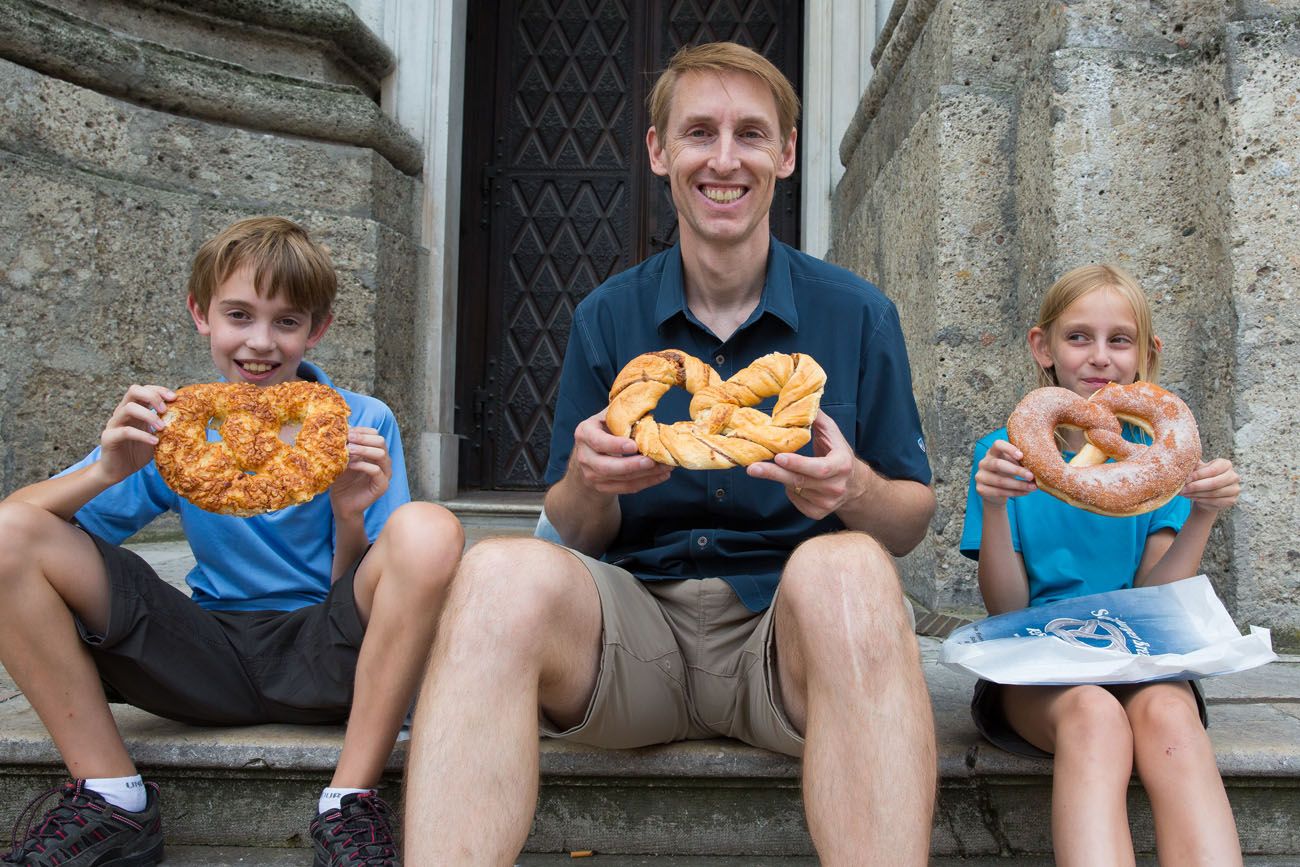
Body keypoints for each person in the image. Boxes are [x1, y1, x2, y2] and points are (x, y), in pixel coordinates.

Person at [405, 42, 937, 865]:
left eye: (752, 134)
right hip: (633, 638)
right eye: (699, 132)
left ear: (787, 153)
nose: (725, 159)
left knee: (855, 569)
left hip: (785, 640)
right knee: (496, 571)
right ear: (658, 151)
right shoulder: (607, 318)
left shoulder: (858, 316)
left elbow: (909, 518)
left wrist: (852, 487)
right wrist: (589, 482)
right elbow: (572, 531)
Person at [0, 216, 463, 866]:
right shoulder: (175, 427)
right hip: (201, 651)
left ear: (318, 328)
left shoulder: (360, 421)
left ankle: (349, 801)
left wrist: (350, 518)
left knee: (431, 529)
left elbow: (379, 603)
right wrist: (110, 469)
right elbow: (18, 528)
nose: (260, 342)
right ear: (201, 314)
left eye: (286, 321)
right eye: (239, 315)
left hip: (323, 652)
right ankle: (111, 797)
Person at [961, 263, 1243, 865]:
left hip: (1138, 655)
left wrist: (1200, 515)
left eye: (1119, 340)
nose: (1100, 357)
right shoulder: (1006, 458)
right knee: (1094, 714)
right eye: (1079, 337)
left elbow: (1156, 595)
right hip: (1037, 663)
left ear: (1146, 354)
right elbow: (1006, 609)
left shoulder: (1152, 468)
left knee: (1171, 713)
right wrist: (992, 507)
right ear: (1044, 347)